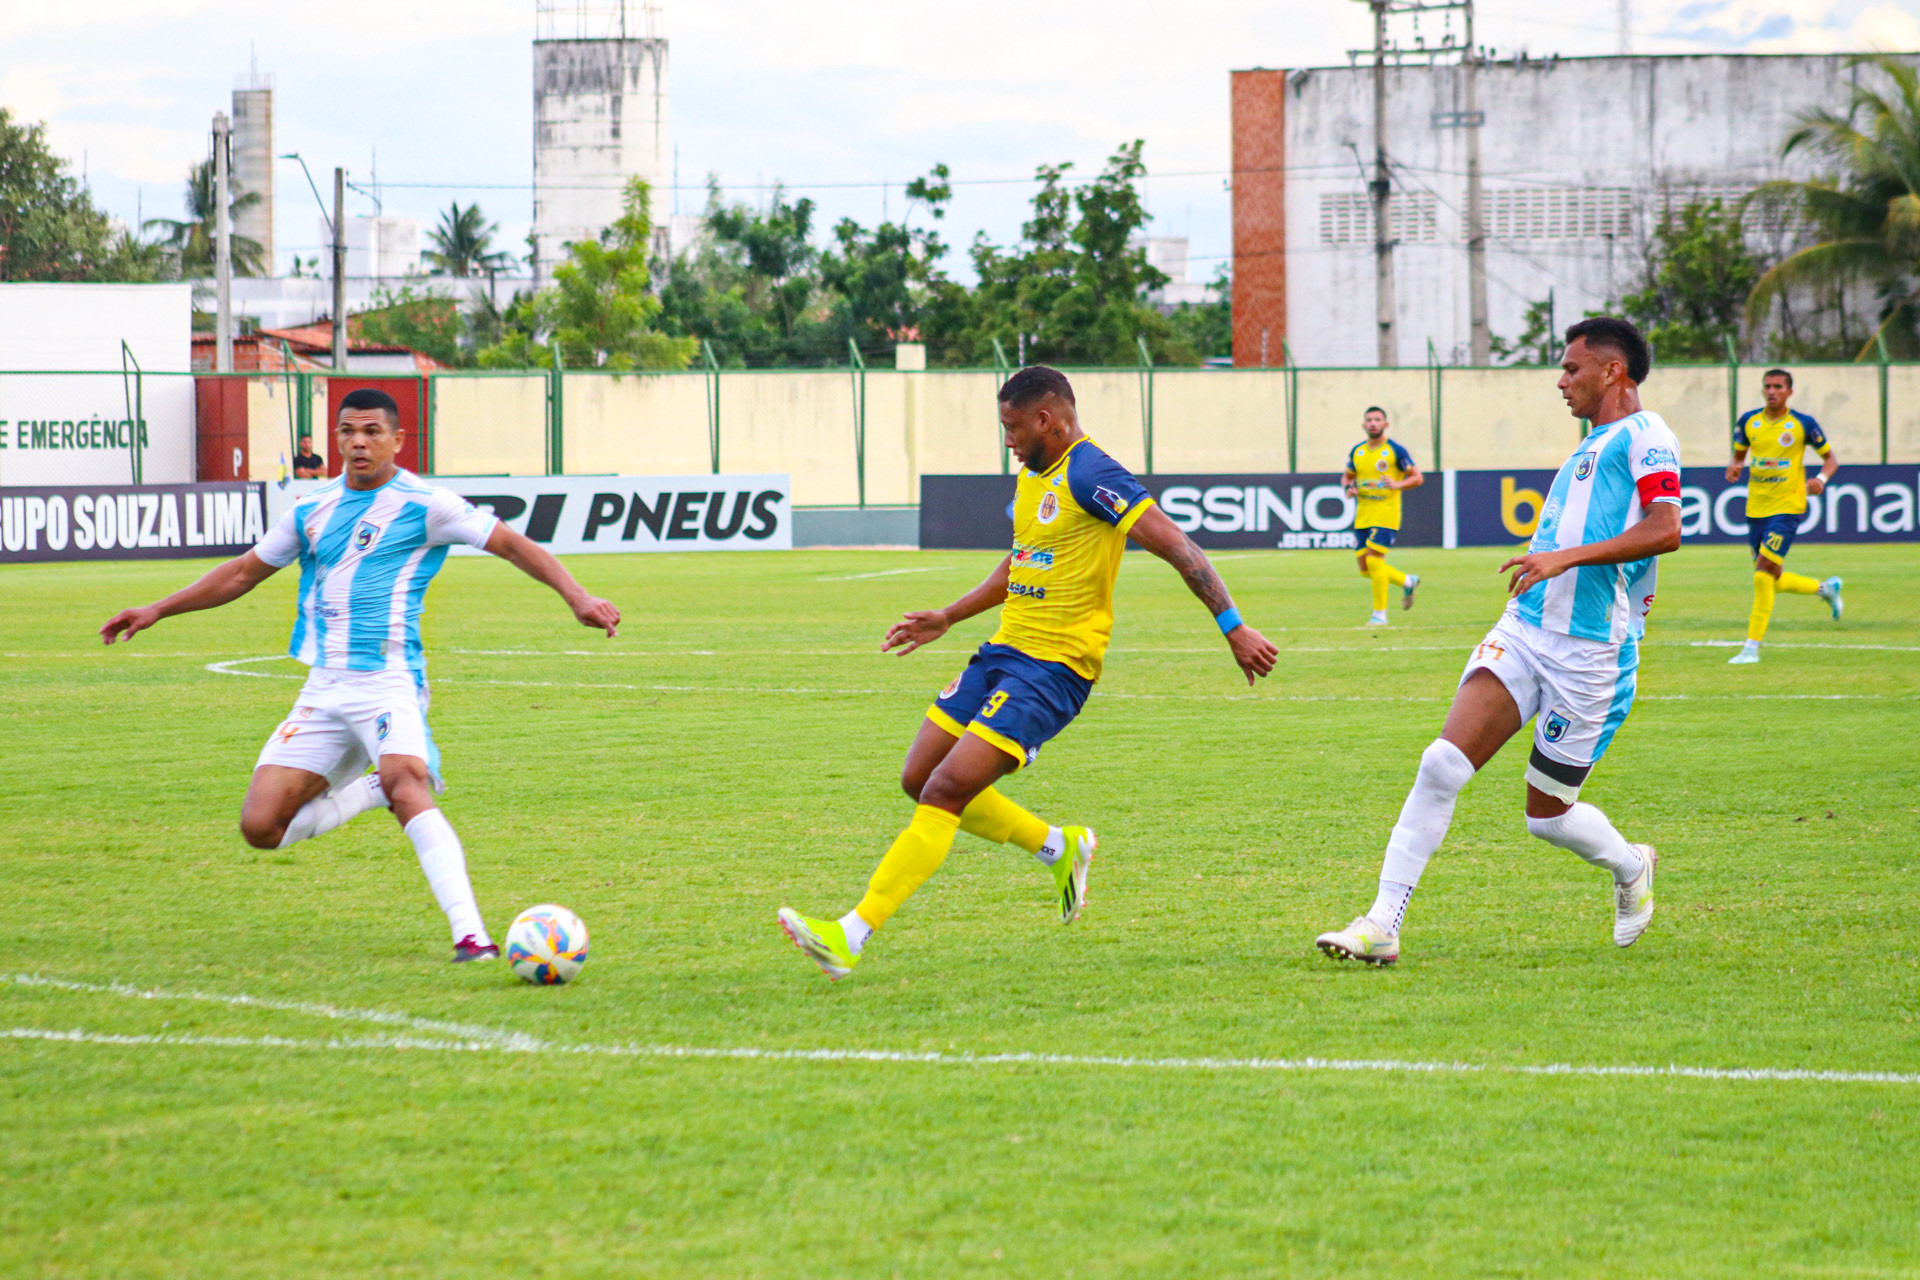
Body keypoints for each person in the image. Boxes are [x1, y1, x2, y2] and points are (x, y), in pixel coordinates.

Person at [777, 365, 1279, 981]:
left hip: (1056, 668)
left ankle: (850, 934)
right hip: (1003, 651)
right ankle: (1059, 846)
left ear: (1048, 419)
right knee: (918, 777)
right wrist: (949, 616)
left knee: (945, 791)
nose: (1008, 440)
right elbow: (1020, 563)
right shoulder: (1029, 479)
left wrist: (1234, 627)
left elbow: (1178, 545)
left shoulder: (1093, 473)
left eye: (1013, 428)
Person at [99, 387, 620, 962]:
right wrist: (157, 610)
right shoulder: (309, 509)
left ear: (398, 439)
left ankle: (471, 935)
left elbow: (513, 545)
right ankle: (370, 789)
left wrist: (577, 596)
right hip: (324, 688)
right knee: (261, 827)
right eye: (347, 431)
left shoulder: (428, 504)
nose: (358, 442)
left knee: (408, 784)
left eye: (372, 431)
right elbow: (243, 573)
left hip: (389, 680)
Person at [1315, 318, 1682, 966]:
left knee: (1547, 816)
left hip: (1591, 653)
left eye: (1573, 368)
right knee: (1440, 765)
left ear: (1613, 371)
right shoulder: (1591, 443)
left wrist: (1565, 557)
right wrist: (1551, 562)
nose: (1562, 380)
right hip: (1526, 627)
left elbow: (1665, 529)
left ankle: (1631, 866)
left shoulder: (1648, 436)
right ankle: (1381, 924)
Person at [1724, 368, 1843, 664]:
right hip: (1756, 508)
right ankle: (1825, 589)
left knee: (1762, 573)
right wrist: (1734, 467)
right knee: (1773, 578)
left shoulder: (1802, 424)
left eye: (1778, 386)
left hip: (1788, 506)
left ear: (1789, 391)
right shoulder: (1748, 422)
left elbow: (1830, 459)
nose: (1771, 391)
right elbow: (1739, 456)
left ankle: (1751, 648)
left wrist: (1821, 480)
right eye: (1767, 386)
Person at [1343, 407, 1422, 625]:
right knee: (1365, 569)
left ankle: (1379, 615)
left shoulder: (1396, 450)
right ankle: (1407, 581)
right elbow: (1347, 477)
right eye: (1369, 420)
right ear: (1363, 425)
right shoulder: (1357, 452)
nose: (1373, 423)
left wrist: (1397, 484)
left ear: (1385, 424)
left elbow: (1417, 478)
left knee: (1374, 561)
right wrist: (1349, 488)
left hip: (1387, 514)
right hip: (1363, 515)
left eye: (1377, 420)